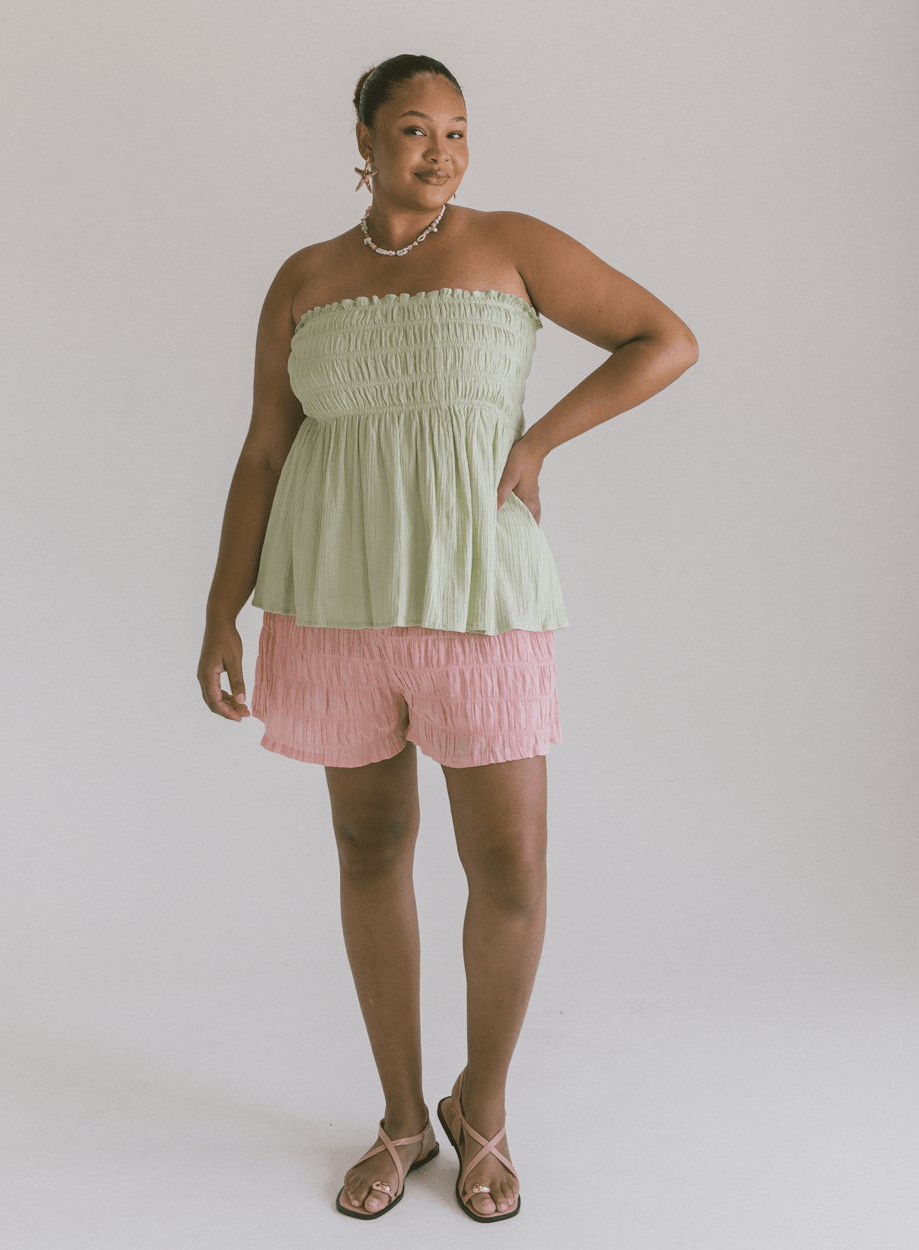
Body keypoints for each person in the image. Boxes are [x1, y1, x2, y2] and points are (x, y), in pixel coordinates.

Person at [197, 53, 698, 1223]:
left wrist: (537, 442)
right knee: (369, 847)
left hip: (480, 595)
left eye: (459, 131)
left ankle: (485, 1109)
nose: (441, 151)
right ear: (364, 141)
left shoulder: (511, 245)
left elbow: (661, 338)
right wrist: (222, 605)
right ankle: (400, 1118)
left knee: (509, 865)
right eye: (416, 129)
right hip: (333, 603)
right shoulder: (303, 278)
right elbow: (266, 447)